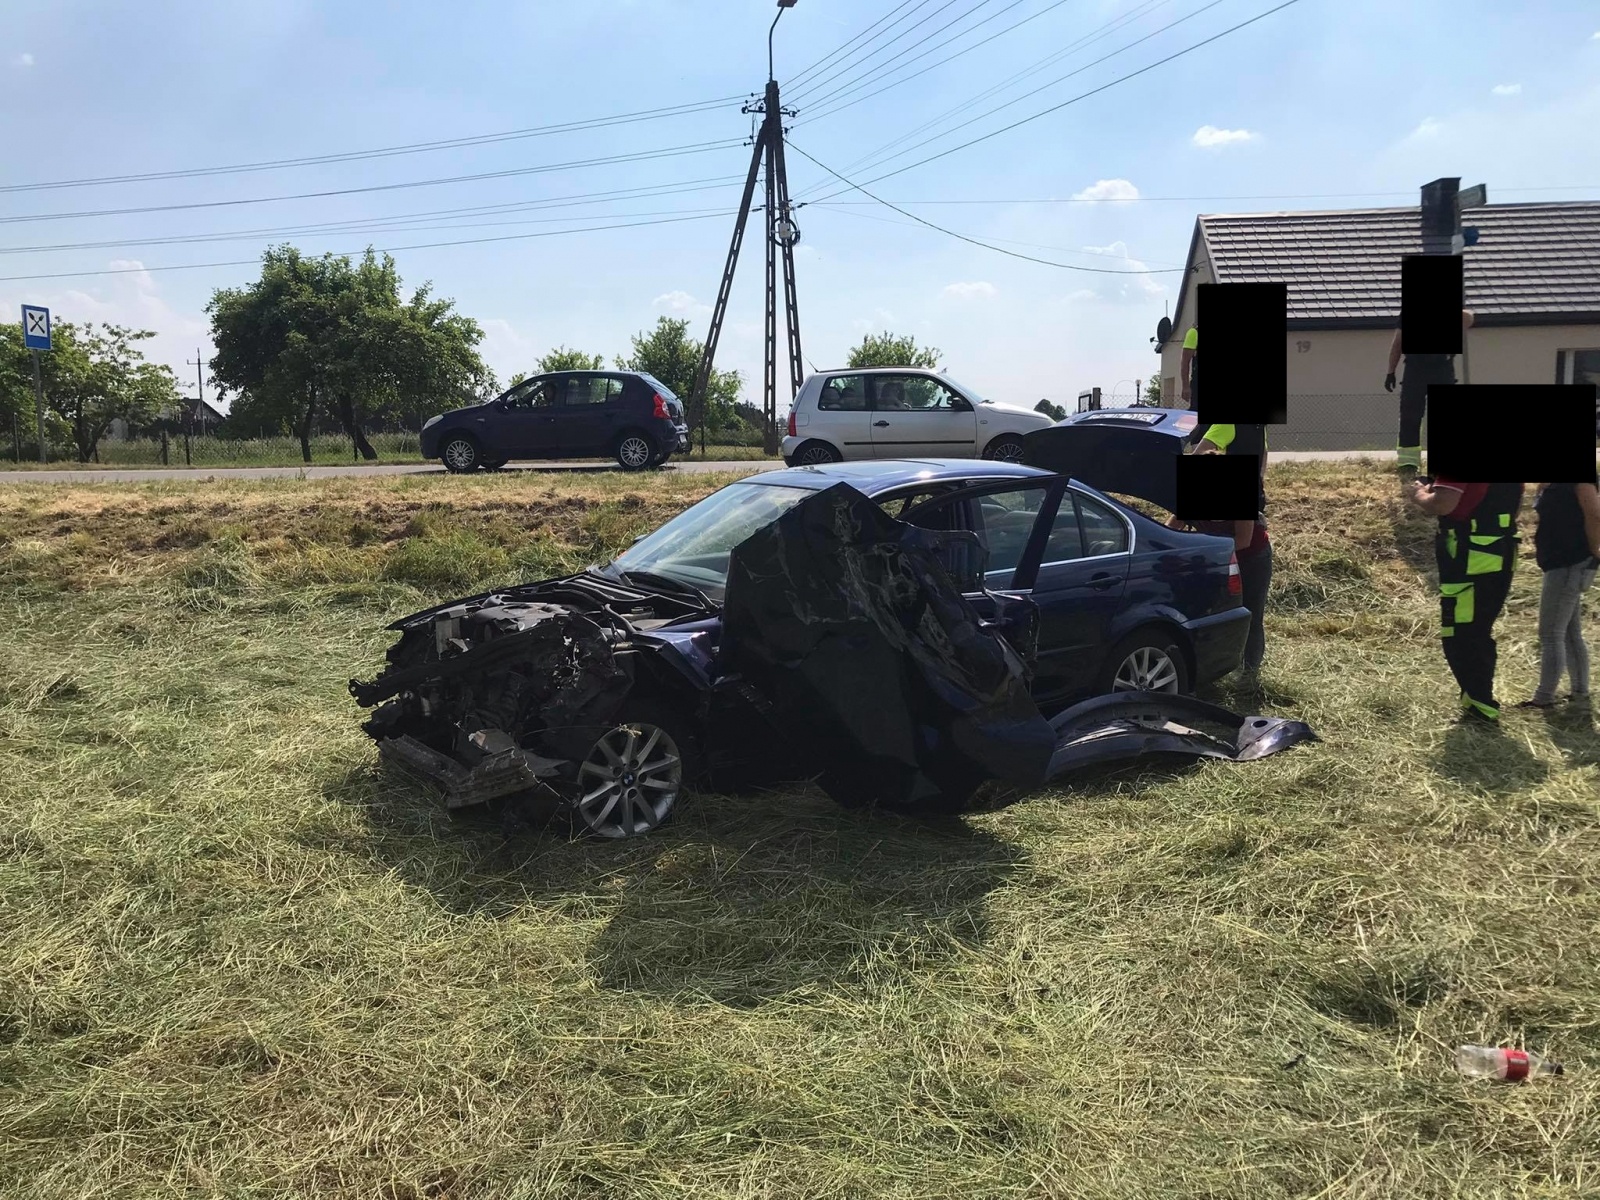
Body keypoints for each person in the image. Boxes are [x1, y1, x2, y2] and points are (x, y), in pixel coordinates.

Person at [1403, 473, 1525, 723]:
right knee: (1477, 630)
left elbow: (1444, 503)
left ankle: (1481, 709)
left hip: (1470, 555)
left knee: (1461, 634)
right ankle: (1477, 703)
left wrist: (1418, 493)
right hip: (1500, 549)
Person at [1519, 479, 1600, 708]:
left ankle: (1544, 697)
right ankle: (1580, 693)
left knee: (1550, 633)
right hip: (1558, 562)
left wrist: (1594, 551)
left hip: (1569, 562)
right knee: (1568, 632)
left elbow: (1594, 515)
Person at [1386, 308, 1474, 479]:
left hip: (1441, 369)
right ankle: (1408, 463)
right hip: (1416, 369)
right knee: (1409, 416)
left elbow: (1468, 319)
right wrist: (1391, 371)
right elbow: (1398, 342)